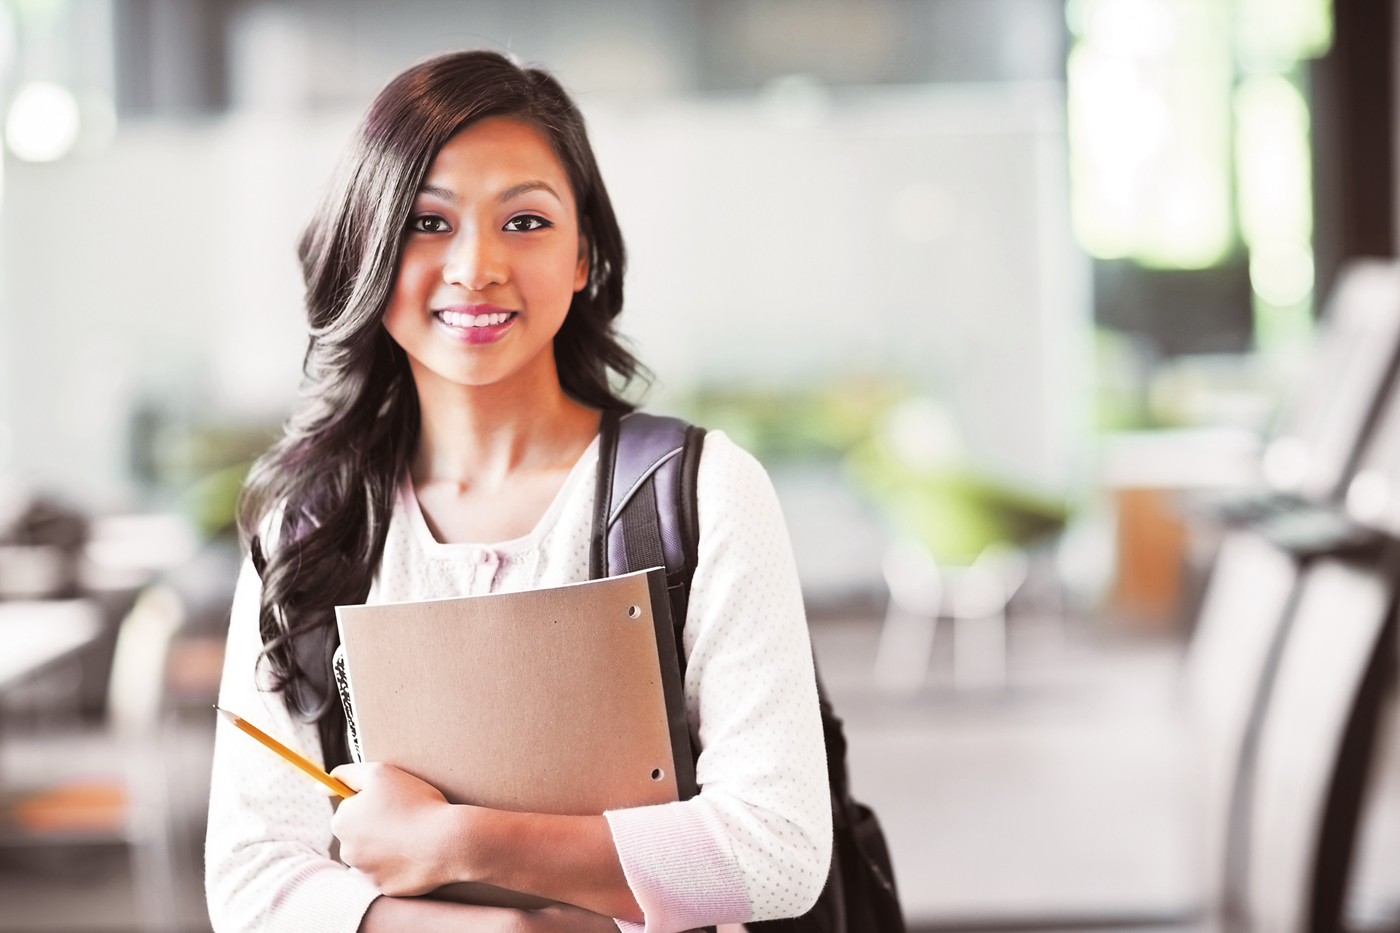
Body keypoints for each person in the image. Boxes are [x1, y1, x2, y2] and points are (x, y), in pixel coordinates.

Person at [205, 49, 831, 933]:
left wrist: (461, 841)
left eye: (526, 222)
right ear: (370, 249)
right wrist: (509, 931)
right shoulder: (310, 524)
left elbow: (777, 850)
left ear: (585, 256)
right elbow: (250, 879)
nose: (476, 266)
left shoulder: (700, 491)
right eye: (428, 221)